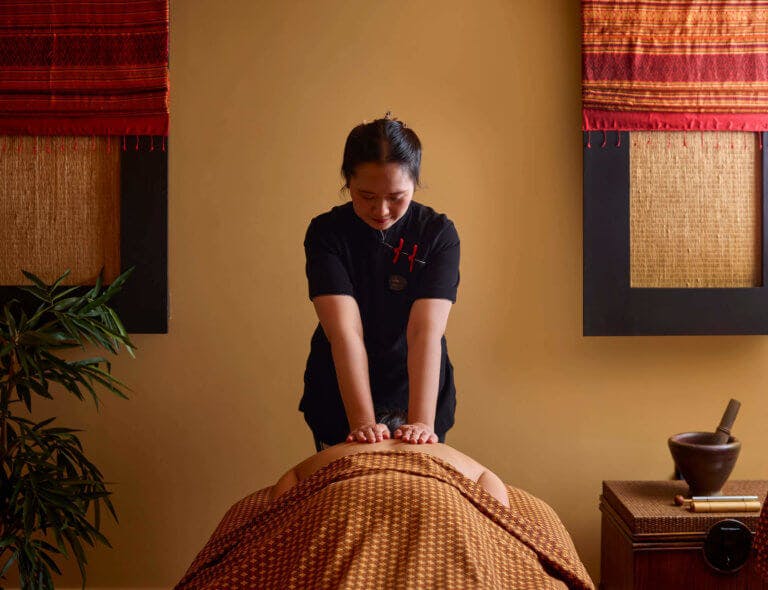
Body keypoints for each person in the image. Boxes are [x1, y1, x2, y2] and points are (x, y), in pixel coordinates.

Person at [300, 113, 460, 451]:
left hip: (415, 392)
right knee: (347, 499)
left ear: (415, 183)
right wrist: (362, 425)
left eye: (396, 196)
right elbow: (345, 331)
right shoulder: (327, 233)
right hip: (340, 397)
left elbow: (424, 332)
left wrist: (421, 424)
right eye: (367, 196)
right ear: (348, 182)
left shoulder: (437, 234)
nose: (382, 210)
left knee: (419, 495)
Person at [272, 410, 509, 508]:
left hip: (346, 499)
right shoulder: (439, 450)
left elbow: (280, 499)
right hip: (437, 501)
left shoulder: (340, 450)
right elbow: (495, 499)